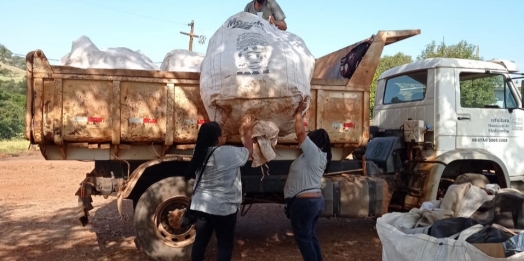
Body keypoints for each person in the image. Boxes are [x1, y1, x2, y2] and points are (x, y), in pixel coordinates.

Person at [185, 119, 254, 261]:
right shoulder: (227, 153)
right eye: (222, 135)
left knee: (200, 243)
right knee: (224, 246)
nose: (224, 137)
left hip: (201, 206)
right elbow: (248, 150)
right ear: (218, 139)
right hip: (223, 209)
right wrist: (247, 131)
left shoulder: (198, 152)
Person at [283, 98, 332, 261]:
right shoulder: (315, 156)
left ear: (315, 142)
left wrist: (299, 113)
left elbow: (300, 133)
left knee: (304, 240)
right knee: (310, 237)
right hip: (311, 203)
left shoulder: (315, 153)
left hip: (305, 204)